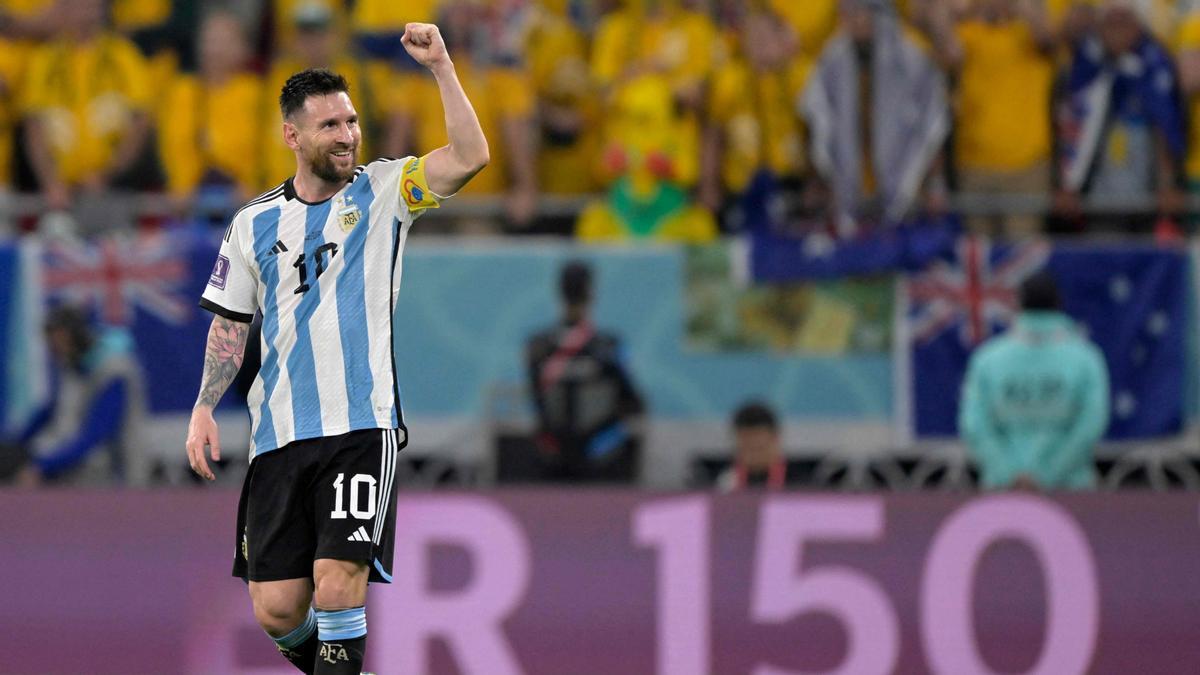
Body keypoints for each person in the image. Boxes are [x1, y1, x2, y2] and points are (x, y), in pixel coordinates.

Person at [184, 22, 488, 675]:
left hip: (359, 423)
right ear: (293, 136)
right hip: (278, 435)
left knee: (338, 578)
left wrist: (441, 68)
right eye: (329, 126)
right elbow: (231, 321)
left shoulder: (386, 192)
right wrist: (206, 404)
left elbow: (469, 157)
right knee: (275, 606)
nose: (347, 134)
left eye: (350, 121)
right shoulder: (255, 223)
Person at [801, 0, 950, 233]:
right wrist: (819, 179)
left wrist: (934, 184)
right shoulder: (832, 60)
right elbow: (816, 120)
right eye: (848, 13)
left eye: (859, 12)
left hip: (906, 185)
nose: (853, 20)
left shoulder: (910, 60)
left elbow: (932, 127)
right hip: (849, 184)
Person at [959, 271, 1110, 491]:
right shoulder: (1086, 357)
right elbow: (1091, 424)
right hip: (1070, 490)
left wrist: (1007, 473)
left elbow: (975, 424)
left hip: (1002, 491)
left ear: (1018, 305)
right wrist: (1047, 475)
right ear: (1059, 304)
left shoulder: (987, 358)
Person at [525, 260, 645, 482]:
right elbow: (634, 402)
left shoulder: (537, 346)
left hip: (556, 454)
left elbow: (536, 401)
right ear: (592, 293)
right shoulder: (609, 345)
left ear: (559, 292)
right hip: (600, 456)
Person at [10, 304, 147, 487]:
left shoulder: (114, 373)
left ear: (75, 335)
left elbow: (97, 434)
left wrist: (43, 467)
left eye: (58, 339)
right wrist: (12, 447)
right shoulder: (73, 364)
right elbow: (50, 410)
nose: (53, 348)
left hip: (114, 479)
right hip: (75, 468)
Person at [717, 401, 788, 491]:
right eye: (747, 448)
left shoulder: (800, 480)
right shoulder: (723, 482)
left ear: (775, 439)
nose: (754, 455)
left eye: (759, 448)